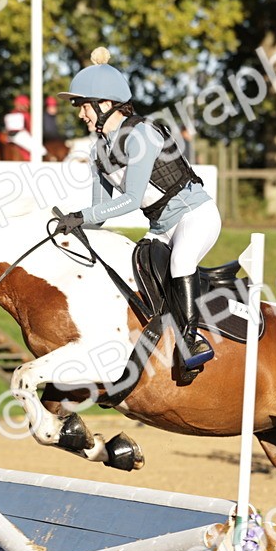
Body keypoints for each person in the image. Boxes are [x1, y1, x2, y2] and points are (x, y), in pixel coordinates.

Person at [55, 47, 219, 378]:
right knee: (134, 268)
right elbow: (100, 215)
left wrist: (81, 216)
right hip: (161, 227)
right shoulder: (98, 150)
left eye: (83, 106)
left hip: (196, 216)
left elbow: (130, 200)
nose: (81, 115)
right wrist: (75, 222)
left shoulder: (141, 134)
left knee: (181, 263)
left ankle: (193, 342)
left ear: (104, 104)